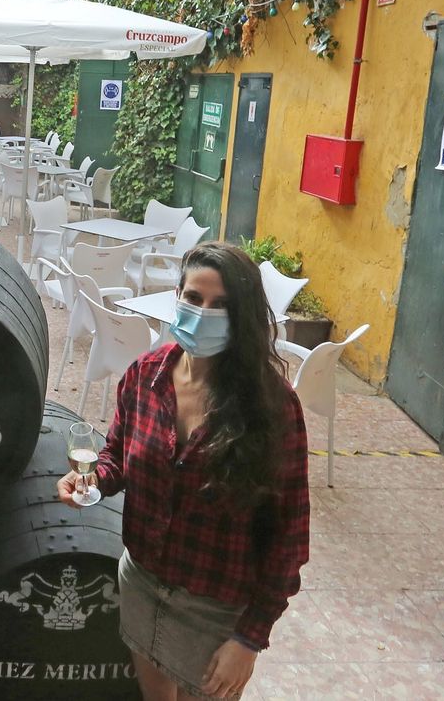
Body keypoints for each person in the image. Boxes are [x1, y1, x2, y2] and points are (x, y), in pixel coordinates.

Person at [59, 241, 309, 701]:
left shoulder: (272, 407)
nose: (203, 312)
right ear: (177, 296)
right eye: (194, 298)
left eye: (221, 305)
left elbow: (288, 538)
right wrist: (90, 480)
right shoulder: (145, 376)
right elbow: (117, 454)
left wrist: (249, 640)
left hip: (215, 609)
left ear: (244, 316)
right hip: (141, 582)